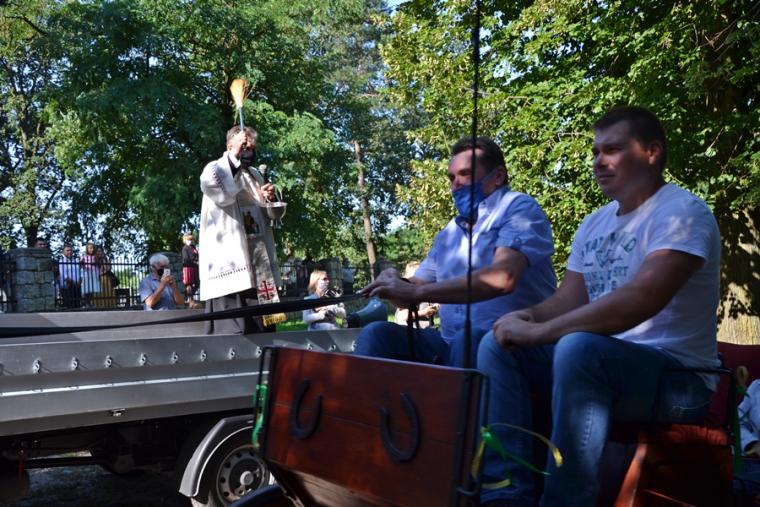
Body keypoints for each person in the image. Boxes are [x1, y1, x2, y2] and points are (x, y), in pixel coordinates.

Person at [482, 106, 721, 506]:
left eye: (612, 150)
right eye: (595, 152)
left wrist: (541, 332)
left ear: (652, 152)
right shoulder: (594, 222)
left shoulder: (683, 213)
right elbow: (569, 298)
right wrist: (527, 316)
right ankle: (506, 497)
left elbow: (641, 298)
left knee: (579, 347)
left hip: (680, 381)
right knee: (497, 344)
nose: (598, 161)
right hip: (605, 365)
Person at [355, 135, 556, 368]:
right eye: (451, 177)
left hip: (517, 344)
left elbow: (503, 278)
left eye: (465, 174)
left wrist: (415, 292)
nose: (456, 183)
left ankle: (454, 391)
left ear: (498, 176)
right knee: (376, 334)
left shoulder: (519, 208)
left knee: (466, 340)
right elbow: (414, 289)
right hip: (448, 344)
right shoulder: (449, 233)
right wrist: (391, 285)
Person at [198, 125, 282, 334]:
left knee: (265, 334)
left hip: (259, 262)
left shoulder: (255, 175)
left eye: (252, 148)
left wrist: (269, 199)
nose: (249, 153)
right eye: (244, 147)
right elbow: (220, 193)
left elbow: (266, 219)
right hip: (231, 263)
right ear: (230, 146)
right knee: (233, 335)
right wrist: (234, 156)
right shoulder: (215, 169)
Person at [394, 261, 438, 328]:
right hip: (410, 329)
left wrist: (436, 306)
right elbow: (402, 316)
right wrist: (424, 312)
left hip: (427, 329)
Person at [58, 244, 81, 309]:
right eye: (67, 250)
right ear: (63, 252)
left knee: (77, 304)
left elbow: (80, 272)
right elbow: (63, 275)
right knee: (69, 305)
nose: (70, 252)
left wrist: (80, 280)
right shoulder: (62, 261)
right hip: (67, 286)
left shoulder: (76, 261)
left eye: (71, 250)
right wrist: (74, 282)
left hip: (77, 286)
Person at [181, 233, 200, 306]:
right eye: (188, 240)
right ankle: (190, 300)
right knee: (189, 285)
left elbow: (197, 256)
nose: (190, 241)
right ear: (185, 240)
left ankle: (187, 296)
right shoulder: (185, 248)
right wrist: (195, 262)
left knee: (198, 283)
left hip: (195, 268)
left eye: (191, 239)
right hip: (188, 268)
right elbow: (186, 259)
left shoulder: (193, 247)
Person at [80, 242, 101, 308]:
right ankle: (86, 303)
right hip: (86, 273)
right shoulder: (84, 256)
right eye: (90, 248)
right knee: (86, 289)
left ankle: (90, 303)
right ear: (87, 249)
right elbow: (81, 265)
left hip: (94, 273)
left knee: (92, 289)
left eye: (93, 248)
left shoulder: (96, 257)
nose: (92, 249)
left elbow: (99, 266)